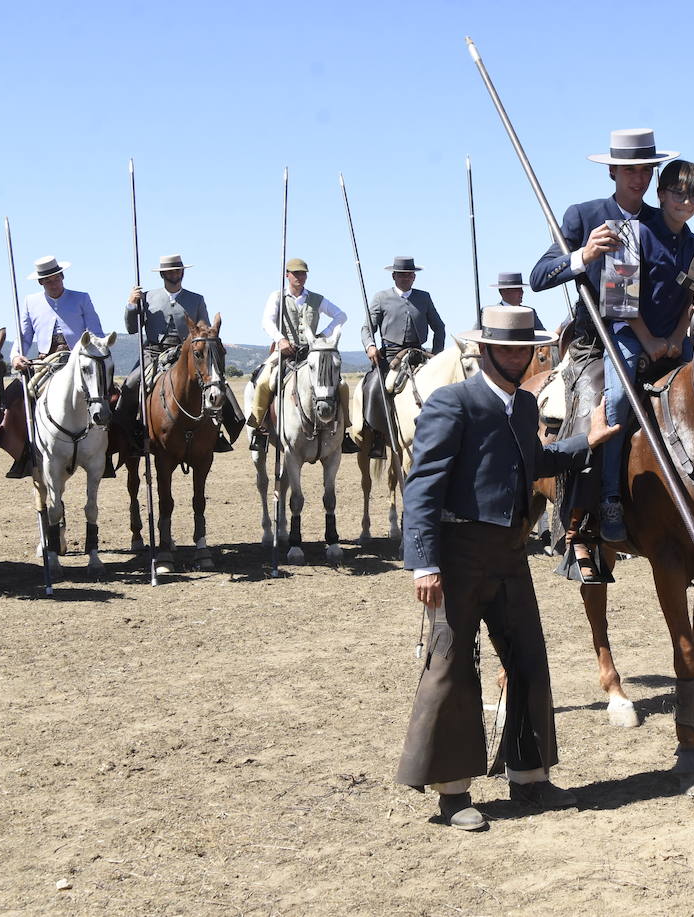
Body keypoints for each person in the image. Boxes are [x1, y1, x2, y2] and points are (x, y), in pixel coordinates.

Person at [397, 305, 619, 831]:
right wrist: (423, 563)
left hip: (511, 554)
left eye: (526, 348)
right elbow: (422, 486)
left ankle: (529, 776)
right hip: (456, 556)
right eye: (509, 347)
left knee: (529, 661)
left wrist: (585, 442)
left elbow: (534, 462)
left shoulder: (523, 408)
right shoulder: (453, 403)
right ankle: (452, 794)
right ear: (485, 349)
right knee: (451, 668)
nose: (519, 356)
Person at [598, 160, 694, 542]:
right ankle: (609, 496)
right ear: (661, 194)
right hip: (629, 333)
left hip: (674, 336)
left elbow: (691, 301)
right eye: (678, 193)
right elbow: (618, 298)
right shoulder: (630, 233)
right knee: (616, 400)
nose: (686, 201)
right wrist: (648, 341)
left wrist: (678, 337)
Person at [530, 128, 678, 355]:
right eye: (630, 169)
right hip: (595, 347)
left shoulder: (664, 222)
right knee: (609, 393)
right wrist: (584, 255)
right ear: (612, 170)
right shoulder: (583, 215)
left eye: (646, 170)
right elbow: (538, 277)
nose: (639, 179)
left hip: (657, 345)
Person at [115, 254, 243, 454]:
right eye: (170, 271)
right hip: (154, 353)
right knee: (131, 384)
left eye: (178, 270)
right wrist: (132, 305)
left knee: (217, 382)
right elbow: (132, 328)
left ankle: (219, 432)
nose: (175, 273)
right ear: (163, 274)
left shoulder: (196, 299)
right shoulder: (147, 297)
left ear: (182, 272)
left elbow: (204, 327)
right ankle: (130, 433)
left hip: (188, 353)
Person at [0, 256, 107, 478]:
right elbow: (24, 336)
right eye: (48, 281)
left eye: (56, 279)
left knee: (108, 394)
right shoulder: (30, 302)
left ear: (62, 277)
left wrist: (97, 351)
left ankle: (108, 452)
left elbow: (96, 332)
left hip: (79, 360)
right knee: (16, 397)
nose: (54, 284)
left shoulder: (81, 299)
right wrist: (17, 355)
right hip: (45, 362)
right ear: (41, 283)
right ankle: (26, 453)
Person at [247, 258, 352, 452]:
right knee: (264, 381)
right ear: (287, 275)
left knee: (342, 385)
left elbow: (341, 316)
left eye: (303, 273)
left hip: (312, 354)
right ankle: (260, 429)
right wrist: (280, 339)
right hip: (285, 352)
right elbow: (267, 321)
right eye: (295, 273)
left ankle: (344, 430)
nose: (299, 277)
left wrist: (323, 335)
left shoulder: (316, 299)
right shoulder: (277, 296)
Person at [359, 256, 445, 458]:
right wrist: (370, 346)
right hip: (389, 356)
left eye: (410, 274)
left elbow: (439, 327)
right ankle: (377, 435)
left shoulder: (424, 297)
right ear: (394, 276)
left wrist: (437, 354)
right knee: (375, 388)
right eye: (403, 274)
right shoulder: (381, 298)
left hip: (418, 354)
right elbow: (367, 328)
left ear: (414, 277)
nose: (407, 278)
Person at [474, 272, 544, 330]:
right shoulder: (488, 313)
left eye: (521, 289)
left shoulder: (530, 312)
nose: (522, 292)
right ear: (503, 291)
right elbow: (474, 338)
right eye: (517, 289)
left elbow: (543, 336)